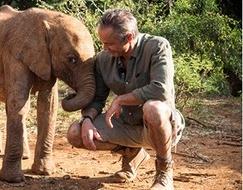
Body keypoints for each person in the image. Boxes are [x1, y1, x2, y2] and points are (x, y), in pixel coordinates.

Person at [67, 9, 185, 190]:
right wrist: (87, 119)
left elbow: (160, 89)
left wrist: (121, 100)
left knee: (154, 108)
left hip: (158, 126)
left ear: (129, 37)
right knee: (76, 133)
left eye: (109, 44)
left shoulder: (157, 46)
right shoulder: (104, 59)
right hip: (125, 123)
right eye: (103, 43)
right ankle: (132, 153)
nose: (105, 49)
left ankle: (164, 173)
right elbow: (98, 99)